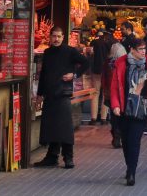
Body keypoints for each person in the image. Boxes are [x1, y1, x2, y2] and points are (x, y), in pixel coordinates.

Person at [34, 26, 89, 168]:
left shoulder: (70, 51)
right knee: (50, 126)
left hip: (63, 94)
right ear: (50, 37)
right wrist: (39, 94)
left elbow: (86, 62)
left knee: (64, 128)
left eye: (59, 36)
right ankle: (52, 156)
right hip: (49, 94)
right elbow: (44, 74)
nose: (56, 39)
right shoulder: (47, 52)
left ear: (63, 37)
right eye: (54, 36)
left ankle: (68, 157)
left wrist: (74, 74)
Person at [109, 39, 147, 185]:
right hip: (124, 109)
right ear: (132, 50)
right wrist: (116, 105)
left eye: (144, 49)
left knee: (134, 141)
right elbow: (114, 86)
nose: (143, 52)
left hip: (142, 109)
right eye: (140, 49)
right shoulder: (122, 63)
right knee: (125, 141)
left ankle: (132, 172)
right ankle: (129, 166)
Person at [89, 30, 114, 125]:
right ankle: (103, 118)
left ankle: (93, 118)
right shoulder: (110, 43)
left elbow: (90, 53)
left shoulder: (94, 42)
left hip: (96, 69)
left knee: (95, 93)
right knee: (105, 93)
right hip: (107, 70)